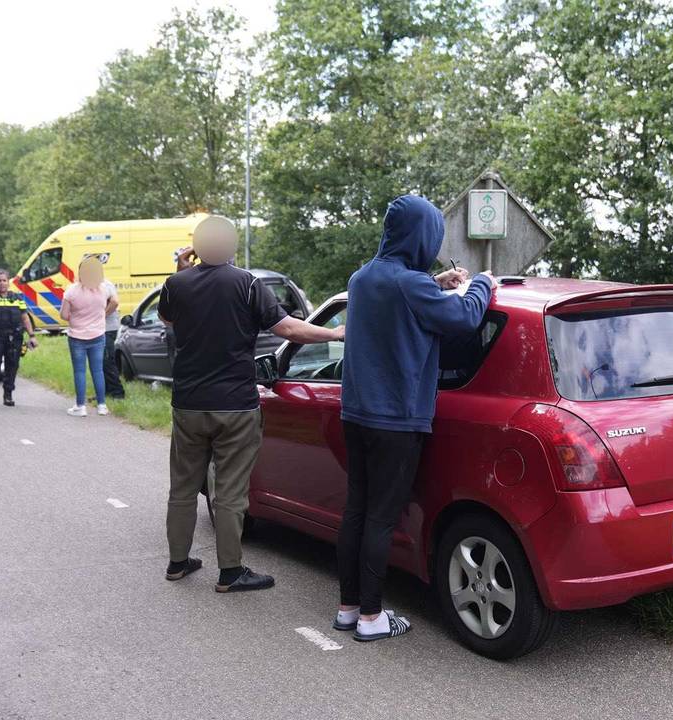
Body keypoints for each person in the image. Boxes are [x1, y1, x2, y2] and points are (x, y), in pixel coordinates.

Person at [335, 194, 495, 642]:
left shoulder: (363, 279)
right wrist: (481, 282)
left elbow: (404, 298)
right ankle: (372, 619)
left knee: (357, 510)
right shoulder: (411, 285)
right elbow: (465, 317)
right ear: (423, 236)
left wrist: (438, 281)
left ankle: (348, 608)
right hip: (396, 418)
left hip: (357, 412)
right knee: (382, 518)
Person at [160, 217, 344, 593]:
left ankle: (178, 563)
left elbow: (168, 315)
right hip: (236, 406)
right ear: (229, 246)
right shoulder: (247, 284)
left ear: (196, 246)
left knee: (182, 487)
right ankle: (230, 572)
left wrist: (182, 270)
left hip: (189, 405)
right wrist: (335, 333)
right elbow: (289, 330)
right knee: (228, 491)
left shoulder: (176, 284)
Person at [59, 255, 117, 417]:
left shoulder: (71, 291)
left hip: (77, 336)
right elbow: (112, 303)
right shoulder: (103, 289)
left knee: (80, 371)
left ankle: (80, 406)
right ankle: (102, 405)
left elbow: (63, 315)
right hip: (98, 335)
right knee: (98, 370)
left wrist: (76, 318)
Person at [0, 269, 37, 408]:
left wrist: (32, 336)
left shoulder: (17, 298)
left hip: (14, 337)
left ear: (8, 282)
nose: (2, 283)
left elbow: (25, 317)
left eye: (4, 280)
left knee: (12, 366)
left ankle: (8, 395)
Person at [101, 276, 126, 401]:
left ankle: (117, 393)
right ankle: (106, 392)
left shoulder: (104, 284)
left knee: (107, 361)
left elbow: (115, 302)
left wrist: (102, 315)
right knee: (102, 363)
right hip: (101, 329)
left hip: (108, 328)